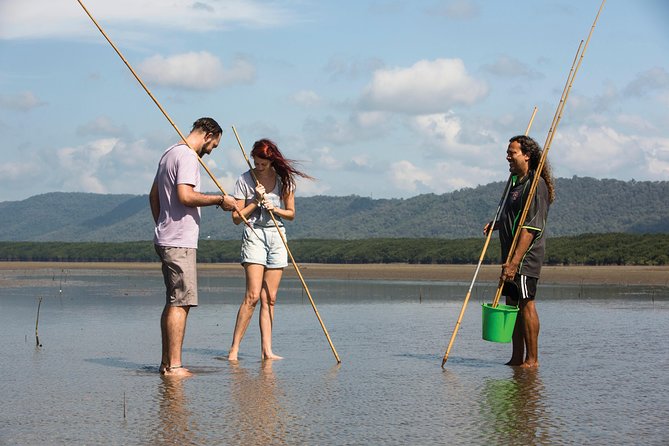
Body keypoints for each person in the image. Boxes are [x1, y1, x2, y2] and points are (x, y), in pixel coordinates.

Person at [149, 117, 237, 377]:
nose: (210, 151)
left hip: (168, 237)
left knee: (174, 301)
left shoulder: (168, 154)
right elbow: (185, 196)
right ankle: (174, 366)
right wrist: (221, 200)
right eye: (214, 146)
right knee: (181, 302)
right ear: (208, 135)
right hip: (178, 241)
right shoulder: (187, 155)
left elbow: (153, 196)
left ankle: (167, 363)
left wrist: (163, 224)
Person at [227, 138, 312, 361]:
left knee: (270, 298)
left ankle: (267, 351)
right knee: (253, 296)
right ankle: (234, 350)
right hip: (254, 234)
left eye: (263, 164)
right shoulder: (244, 179)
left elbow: (291, 213)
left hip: (277, 236)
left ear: (272, 160)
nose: (259, 167)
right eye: (256, 163)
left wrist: (275, 208)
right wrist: (255, 201)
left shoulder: (285, 180)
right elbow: (236, 218)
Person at [486, 135, 554, 368]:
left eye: (511, 152)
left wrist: (514, 263)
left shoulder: (536, 185)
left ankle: (532, 360)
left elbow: (530, 227)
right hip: (510, 256)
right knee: (512, 303)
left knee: (526, 303)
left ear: (527, 155)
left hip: (525, 257)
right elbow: (514, 217)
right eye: (507, 152)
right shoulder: (516, 183)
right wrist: (497, 224)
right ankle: (517, 358)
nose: (507, 156)